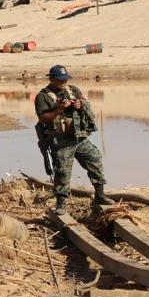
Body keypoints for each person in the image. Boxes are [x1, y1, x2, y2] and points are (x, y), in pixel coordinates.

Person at [34, 65, 106, 213]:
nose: (63, 82)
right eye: (60, 80)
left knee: (95, 159)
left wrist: (79, 106)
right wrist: (59, 109)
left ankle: (100, 194)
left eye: (65, 79)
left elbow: (86, 106)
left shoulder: (73, 90)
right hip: (61, 141)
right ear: (51, 79)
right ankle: (61, 203)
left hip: (79, 137)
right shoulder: (43, 96)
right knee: (62, 171)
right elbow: (43, 118)